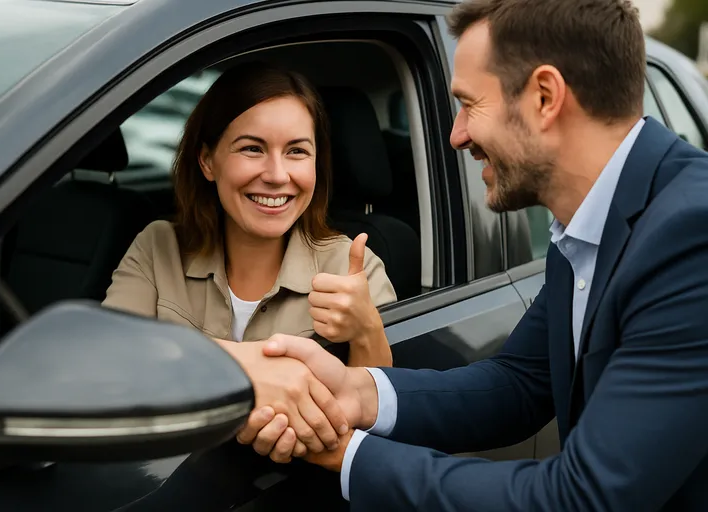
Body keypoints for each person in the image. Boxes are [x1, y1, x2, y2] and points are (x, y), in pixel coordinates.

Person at [235, 0, 708, 510]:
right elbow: (519, 384)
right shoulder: (586, 222)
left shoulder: (691, 237)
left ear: (545, 97)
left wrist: (346, 453)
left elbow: (580, 499)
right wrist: (354, 392)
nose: (457, 134)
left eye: (468, 104)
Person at [103, 61, 397, 456]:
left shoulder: (352, 269)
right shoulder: (158, 247)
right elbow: (107, 361)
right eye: (252, 149)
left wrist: (366, 331)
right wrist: (245, 366)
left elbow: (382, 431)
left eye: (296, 151)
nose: (277, 175)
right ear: (207, 161)